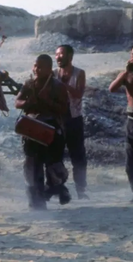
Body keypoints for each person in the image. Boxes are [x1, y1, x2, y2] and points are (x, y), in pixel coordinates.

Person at [15, 54, 70, 210]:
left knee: (54, 166)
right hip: (32, 131)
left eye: (40, 67)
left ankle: (57, 189)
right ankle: (37, 202)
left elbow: (64, 109)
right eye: (35, 66)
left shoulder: (58, 86)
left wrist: (47, 101)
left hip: (51, 131)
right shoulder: (29, 84)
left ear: (49, 69)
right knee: (32, 166)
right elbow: (17, 102)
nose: (36, 69)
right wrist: (27, 102)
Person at [54, 44, 88, 199]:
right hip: (57, 120)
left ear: (70, 56)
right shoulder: (53, 73)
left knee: (78, 156)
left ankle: (81, 189)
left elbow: (78, 94)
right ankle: (59, 188)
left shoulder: (79, 73)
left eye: (61, 54)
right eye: (56, 54)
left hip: (74, 119)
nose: (58, 57)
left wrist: (63, 85)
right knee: (56, 156)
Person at [109, 46, 133, 201]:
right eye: (132, 55)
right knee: (130, 163)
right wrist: (124, 74)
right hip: (131, 120)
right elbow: (112, 88)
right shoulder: (126, 74)